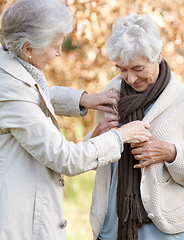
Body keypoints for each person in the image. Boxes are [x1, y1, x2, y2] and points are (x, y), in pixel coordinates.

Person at [0, 2, 152, 240]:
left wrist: (83, 100)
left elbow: (35, 95)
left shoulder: (9, 66)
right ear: (28, 48)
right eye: (55, 45)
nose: (59, 52)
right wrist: (120, 137)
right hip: (16, 222)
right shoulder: (9, 92)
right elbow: (65, 158)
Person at [87, 13, 184, 240]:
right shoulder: (111, 95)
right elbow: (95, 159)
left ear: (158, 55)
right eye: (122, 69)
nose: (130, 78)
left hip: (169, 229)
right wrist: (96, 138)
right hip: (113, 226)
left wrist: (172, 153)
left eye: (138, 68)